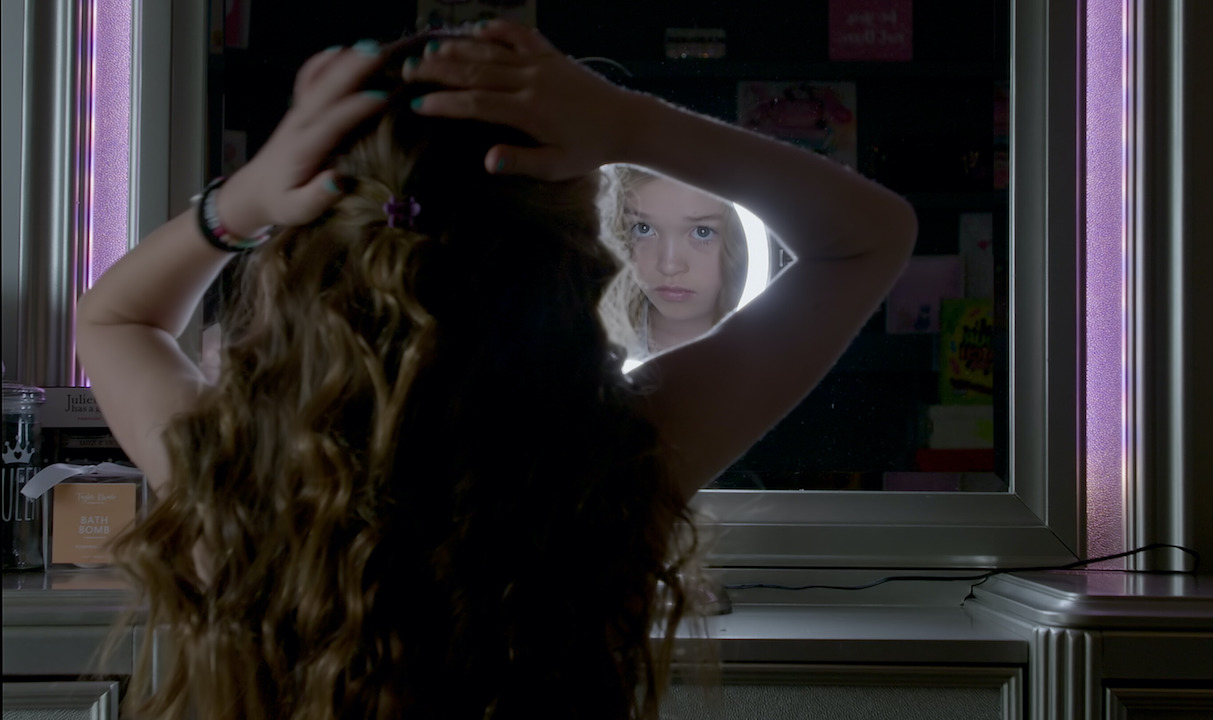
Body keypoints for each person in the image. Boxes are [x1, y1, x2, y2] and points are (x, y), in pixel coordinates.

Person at [75, 22, 916, 720]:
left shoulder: (241, 480)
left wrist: (247, 198)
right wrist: (629, 123)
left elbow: (114, 318)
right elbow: (867, 236)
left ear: (313, 260)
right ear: (577, 256)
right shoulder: (613, 470)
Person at [599, 165, 749, 359]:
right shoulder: (587, 343)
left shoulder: (771, 347)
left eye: (702, 231)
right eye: (643, 228)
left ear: (740, 240)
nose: (668, 266)